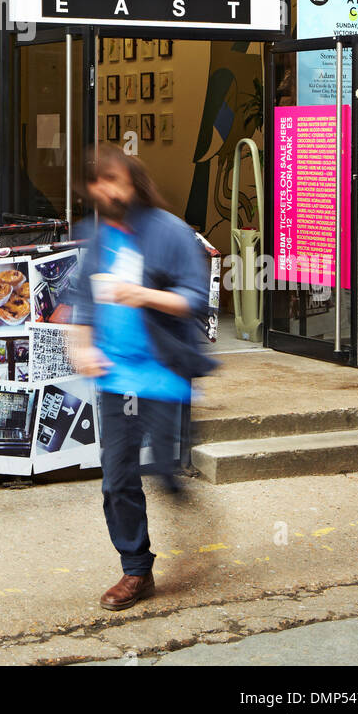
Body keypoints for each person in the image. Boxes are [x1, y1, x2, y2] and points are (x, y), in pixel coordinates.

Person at [68, 145, 214, 613]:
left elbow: (194, 300)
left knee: (163, 469)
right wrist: (82, 344)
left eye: (113, 179)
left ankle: (172, 477)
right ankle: (136, 569)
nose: (106, 190)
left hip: (164, 371)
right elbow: (84, 303)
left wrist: (141, 294)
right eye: (96, 183)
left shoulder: (170, 232)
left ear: (133, 180)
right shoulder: (97, 236)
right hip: (117, 377)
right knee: (117, 479)